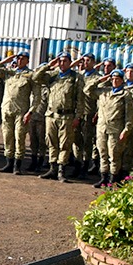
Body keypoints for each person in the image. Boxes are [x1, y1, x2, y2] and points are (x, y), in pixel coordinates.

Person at [32, 52, 87, 182]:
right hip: (51, 115)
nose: (62, 63)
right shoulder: (52, 75)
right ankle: (52, 168)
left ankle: (61, 170)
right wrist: (49, 66)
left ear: (70, 62)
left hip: (67, 116)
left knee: (65, 144)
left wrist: (77, 117)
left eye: (65, 61)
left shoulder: (75, 78)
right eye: (60, 61)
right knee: (51, 142)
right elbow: (35, 77)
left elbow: (80, 99)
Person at [0, 51, 36, 175]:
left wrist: (30, 111)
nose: (19, 61)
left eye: (22, 59)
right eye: (18, 58)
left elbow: (36, 95)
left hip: (21, 111)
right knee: (8, 136)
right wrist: (5, 61)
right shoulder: (9, 73)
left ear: (27, 61)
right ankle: (9, 162)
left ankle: (17, 165)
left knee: (19, 137)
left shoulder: (30, 75)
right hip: (7, 109)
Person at [89, 68, 133, 187]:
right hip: (102, 128)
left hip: (115, 130)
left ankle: (113, 179)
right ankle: (103, 178)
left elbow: (130, 116)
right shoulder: (104, 92)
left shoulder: (126, 95)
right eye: (113, 79)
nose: (115, 81)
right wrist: (101, 79)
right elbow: (88, 90)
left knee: (114, 156)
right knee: (102, 153)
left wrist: (126, 130)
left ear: (122, 80)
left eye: (117, 79)